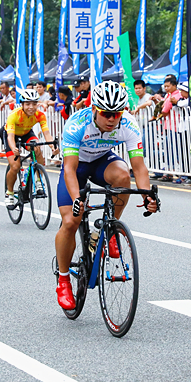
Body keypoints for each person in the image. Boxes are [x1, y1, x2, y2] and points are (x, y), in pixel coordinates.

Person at [53, 81, 159, 310]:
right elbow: (69, 169)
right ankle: (63, 280)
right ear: (94, 110)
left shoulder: (128, 125)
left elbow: (139, 168)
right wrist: (77, 200)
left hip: (101, 161)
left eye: (117, 114)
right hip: (77, 167)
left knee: (123, 177)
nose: (112, 119)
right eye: (106, 114)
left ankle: (107, 229)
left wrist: (147, 196)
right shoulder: (76, 124)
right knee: (71, 221)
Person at [1, 88, 60, 206]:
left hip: (26, 133)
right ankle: (9, 193)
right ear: (22, 104)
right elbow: (10, 137)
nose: (31, 107)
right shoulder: (14, 115)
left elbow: (46, 134)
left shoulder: (40, 115)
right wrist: (13, 148)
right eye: (27, 104)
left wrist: (52, 147)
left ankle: (38, 181)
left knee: (37, 148)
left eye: (34, 104)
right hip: (10, 135)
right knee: (15, 166)